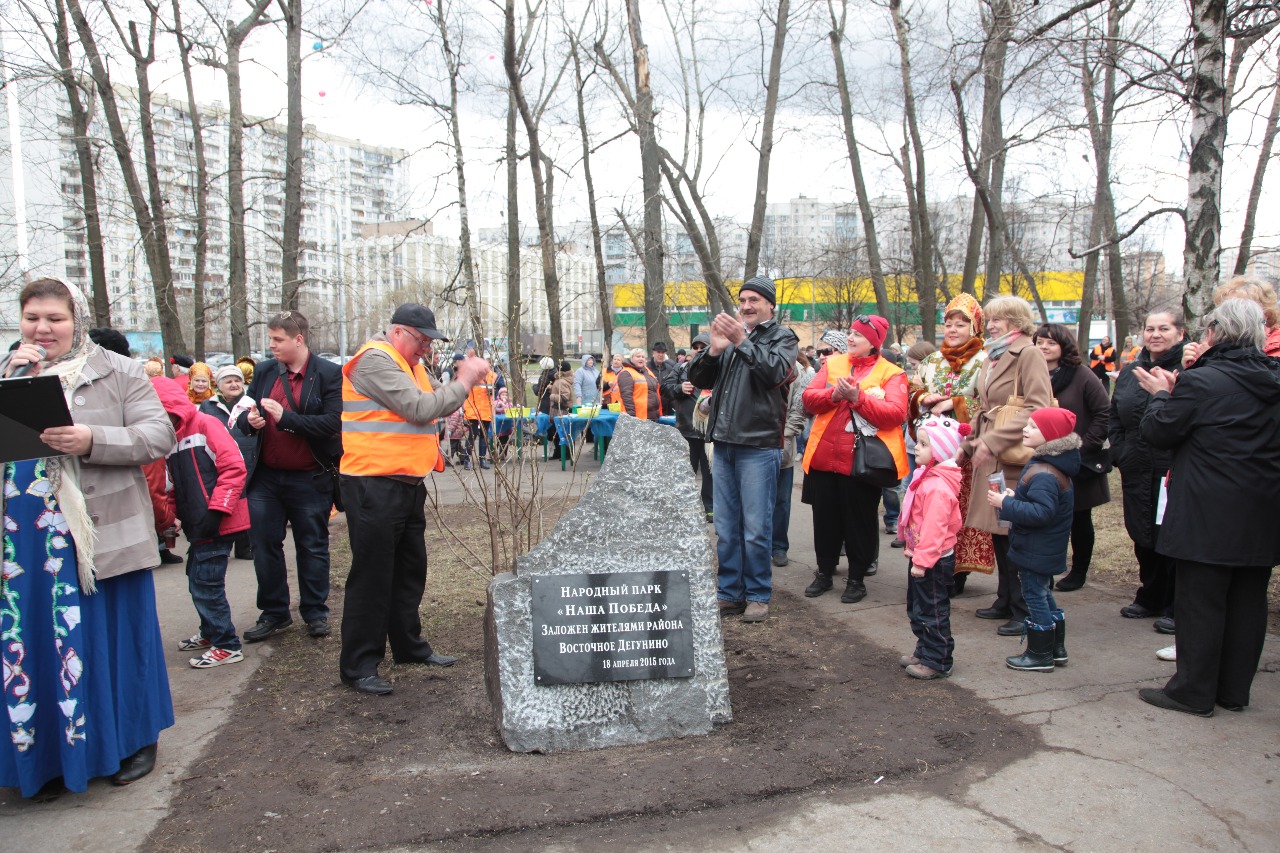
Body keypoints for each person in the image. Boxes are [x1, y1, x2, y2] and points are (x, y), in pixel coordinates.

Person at [0, 278, 176, 796]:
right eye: (33, 317)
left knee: (115, 642)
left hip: (99, 539)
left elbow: (157, 434)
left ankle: (134, 738)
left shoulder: (117, 370)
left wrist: (92, 439)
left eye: (55, 317)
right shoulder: (9, 373)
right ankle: (50, 753)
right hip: (25, 542)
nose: (43, 328)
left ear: (76, 317)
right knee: (35, 645)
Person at [1134, 299, 1280, 716]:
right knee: (1248, 600)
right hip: (1262, 507)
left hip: (1208, 509)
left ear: (1214, 333)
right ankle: (1233, 691)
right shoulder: (1273, 378)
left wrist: (1162, 396)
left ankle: (1192, 691)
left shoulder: (1203, 381)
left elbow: (1158, 433)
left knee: (1201, 601)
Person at [338, 304, 482, 695]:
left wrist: (458, 381)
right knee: (372, 577)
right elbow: (422, 409)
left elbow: (441, 403)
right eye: (422, 340)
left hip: (404, 484)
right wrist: (464, 379)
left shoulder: (410, 365)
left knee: (408, 571)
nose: (426, 349)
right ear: (399, 331)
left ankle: (408, 646)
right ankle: (359, 665)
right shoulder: (374, 362)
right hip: (372, 484)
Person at [689, 275, 799, 623]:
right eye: (743, 299)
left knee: (755, 528)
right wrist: (715, 350)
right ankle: (729, 592)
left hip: (758, 446)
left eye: (755, 299)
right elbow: (699, 379)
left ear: (770, 305)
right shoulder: (733, 338)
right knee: (725, 525)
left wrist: (741, 341)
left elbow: (775, 372)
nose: (747, 306)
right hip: (723, 443)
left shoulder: (783, 337)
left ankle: (757, 595)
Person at [235, 311, 343, 642]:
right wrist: (248, 422)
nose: (271, 346)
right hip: (267, 477)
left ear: (299, 339)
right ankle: (275, 612)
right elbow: (243, 413)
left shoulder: (328, 374)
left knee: (312, 545)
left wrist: (287, 419)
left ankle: (315, 611)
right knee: (264, 545)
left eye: (277, 340)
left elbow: (333, 424)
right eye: (270, 339)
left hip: (309, 477)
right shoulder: (266, 371)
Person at [959, 295, 1053, 637]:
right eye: (990, 318)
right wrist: (970, 444)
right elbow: (983, 406)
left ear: (1016, 321)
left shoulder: (1028, 353)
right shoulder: (993, 355)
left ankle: (1025, 607)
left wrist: (992, 440)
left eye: (997, 318)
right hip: (991, 455)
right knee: (999, 529)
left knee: (1015, 531)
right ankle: (1006, 597)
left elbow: (1038, 407)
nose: (990, 324)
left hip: (1013, 456)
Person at [801, 315, 909, 604]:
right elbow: (809, 399)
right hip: (824, 458)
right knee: (825, 520)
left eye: (857, 335)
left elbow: (896, 414)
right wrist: (834, 395)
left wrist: (859, 398)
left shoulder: (892, 373)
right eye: (850, 333)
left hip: (863, 464)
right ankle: (824, 573)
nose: (850, 338)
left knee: (859, 522)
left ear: (874, 342)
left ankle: (857, 580)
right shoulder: (833, 364)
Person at [154, 377, 250, 669]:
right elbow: (173, 485)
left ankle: (226, 643)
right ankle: (211, 632)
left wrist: (217, 511)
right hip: (198, 522)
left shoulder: (206, 424)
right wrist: (172, 518)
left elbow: (234, 467)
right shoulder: (170, 438)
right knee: (196, 578)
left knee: (207, 584)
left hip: (217, 521)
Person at [909, 294, 994, 585]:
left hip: (966, 451)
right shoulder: (931, 361)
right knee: (931, 508)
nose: (953, 330)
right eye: (948, 324)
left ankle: (959, 569)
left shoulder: (986, 361)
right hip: (933, 450)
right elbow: (912, 393)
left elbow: (991, 404)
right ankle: (930, 559)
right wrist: (922, 397)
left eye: (961, 324)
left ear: (975, 327)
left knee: (962, 508)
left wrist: (955, 403)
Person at [986, 408, 1079, 672]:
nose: (1026, 429)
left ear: (1051, 436)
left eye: (1034, 427)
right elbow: (1042, 504)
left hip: (1036, 547)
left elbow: (1041, 513)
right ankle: (1056, 649)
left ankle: (1040, 654)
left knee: (1034, 595)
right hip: (1043, 546)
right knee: (1042, 592)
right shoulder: (1050, 466)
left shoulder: (1044, 473)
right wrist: (1018, 498)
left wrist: (1006, 502)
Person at [1110, 311, 1185, 630]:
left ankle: (1175, 604)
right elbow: (1115, 414)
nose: (1156, 334)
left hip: (1170, 466)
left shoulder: (1188, 370)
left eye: (1164, 329)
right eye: (1150, 328)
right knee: (1141, 532)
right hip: (1135, 464)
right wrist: (1119, 451)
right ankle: (1150, 595)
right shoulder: (1131, 371)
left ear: (1180, 333)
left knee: (1169, 535)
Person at [1032, 324, 1111, 592]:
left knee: (1078, 518)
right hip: (1040, 459)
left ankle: (1078, 571)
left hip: (1077, 460)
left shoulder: (1081, 375)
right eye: (1039, 342)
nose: (1043, 348)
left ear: (1064, 347)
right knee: (1046, 517)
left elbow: (1103, 412)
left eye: (1050, 343)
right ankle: (1048, 569)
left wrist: (1083, 446)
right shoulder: (1032, 373)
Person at [898, 417, 969, 680]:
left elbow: (934, 529)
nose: (916, 447)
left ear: (940, 452)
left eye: (925, 444)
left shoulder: (938, 488)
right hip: (922, 555)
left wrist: (922, 560)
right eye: (918, 442)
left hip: (934, 560)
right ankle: (924, 648)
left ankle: (938, 659)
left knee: (933, 610)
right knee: (917, 607)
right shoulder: (926, 476)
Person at [201, 365, 258, 561]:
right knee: (227, 502)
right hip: (222, 464)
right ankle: (222, 546)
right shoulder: (208, 407)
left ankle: (245, 547)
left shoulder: (251, 403)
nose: (234, 384)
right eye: (228, 381)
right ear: (219, 385)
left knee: (247, 504)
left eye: (237, 380)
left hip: (249, 460)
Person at [662, 333, 714, 521]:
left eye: (703, 346)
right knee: (686, 471)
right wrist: (679, 389)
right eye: (696, 346)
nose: (699, 350)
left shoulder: (719, 367)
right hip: (687, 430)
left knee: (710, 474)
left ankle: (710, 509)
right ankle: (686, 507)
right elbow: (665, 388)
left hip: (711, 431)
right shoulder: (682, 367)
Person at [771, 351, 813, 567]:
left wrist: (786, 434)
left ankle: (778, 546)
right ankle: (755, 546)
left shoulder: (794, 369)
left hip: (783, 445)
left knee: (781, 500)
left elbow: (799, 407)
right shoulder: (751, 360)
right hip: (751, 445)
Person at [462, 358, 500, 470]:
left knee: (483, 436)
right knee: (472, 435)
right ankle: (467, 459)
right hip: (473, 409)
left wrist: (493, 391)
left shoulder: (494, 376)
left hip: (485, 409)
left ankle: (482, 459)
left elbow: (499, 388)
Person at [617, 348, 662, 420]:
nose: (641, 358)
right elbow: (627, 397)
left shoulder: (647, 371)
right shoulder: (626, 373)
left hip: (652, 416)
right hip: (638, 417)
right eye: (638, 356)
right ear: (631, 358)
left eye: (643, 357)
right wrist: (631, 417)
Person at [648, 341, 677, 414]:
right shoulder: (646, 368)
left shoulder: (669, 368)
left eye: (663, 352)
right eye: (658, 352)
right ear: (653, 353)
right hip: (651, 407)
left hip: (667, 407)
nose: (661, 355)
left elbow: (672, 387)